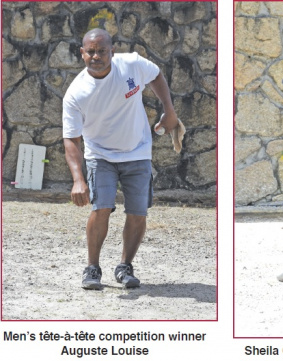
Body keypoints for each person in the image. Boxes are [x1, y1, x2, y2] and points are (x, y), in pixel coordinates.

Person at [63, 28, 178, 290]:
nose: (96, 56)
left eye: (102, 50)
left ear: (112, 52)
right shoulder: (76, 92)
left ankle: (125, 266)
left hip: (137, 150)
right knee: (101, 207)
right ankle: (92, 268)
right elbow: (71, 139)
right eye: (90, 51)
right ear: (82, 54)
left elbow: (156, 75)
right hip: (100, 154)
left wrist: (169, 112)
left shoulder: (132, 64)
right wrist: (78, 179)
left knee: (137, 212)